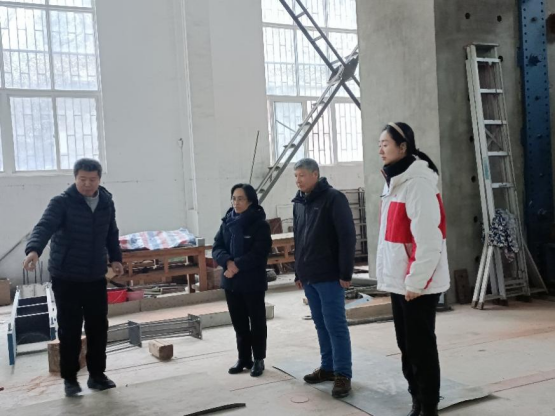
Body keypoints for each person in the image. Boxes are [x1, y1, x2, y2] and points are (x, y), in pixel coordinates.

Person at [23, 159, 123, 397]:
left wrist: (116, 258)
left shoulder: (106, 202)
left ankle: (97, 376)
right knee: (70, 328)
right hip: (66, 276)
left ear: (99, 179)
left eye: (92, 179)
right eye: (82, 179)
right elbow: (44, 226)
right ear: (75, 178)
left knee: (98, 327)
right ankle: (70, 379)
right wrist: (34, 250)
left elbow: (111, 233)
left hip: (95, 275)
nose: (87, 184)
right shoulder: (61, 202)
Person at [377, 123, 451, 417]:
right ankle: (417, 400)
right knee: (406, 346)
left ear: (403, 146)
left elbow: (429, 238)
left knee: (421, 348)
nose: (380, 149)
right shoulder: (394, 181)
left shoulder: (417, 183)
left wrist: (416, 282)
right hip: (400, 281)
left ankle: (429, 406)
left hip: (417, 285)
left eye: (385, 143)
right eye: (379, 144)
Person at [292, 158, 357, 399]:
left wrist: (345, 272)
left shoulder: (333, 199)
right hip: (309, 275)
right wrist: (298, 271)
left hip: (330, 275)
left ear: (315, 175)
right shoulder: (299, 203)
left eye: (302, 175)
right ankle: (328, 367)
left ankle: (343, 374)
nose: (298, 180)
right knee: (320, 324)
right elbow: (299, 239)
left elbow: (347, 236)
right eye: (295, 176)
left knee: (335, 325)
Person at [213, 184, 273, 378]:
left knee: (256, 322)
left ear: (250, 201)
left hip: (252, 282)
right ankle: (244, 358)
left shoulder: (260, 225)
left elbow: (259, 253)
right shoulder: (227, 223)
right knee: (239, 322)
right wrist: (227, 262)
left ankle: (259, 359)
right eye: (234, 198)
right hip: (231, 282)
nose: (236, 202)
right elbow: (217, 247)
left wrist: (236, 265)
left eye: (240, 199)